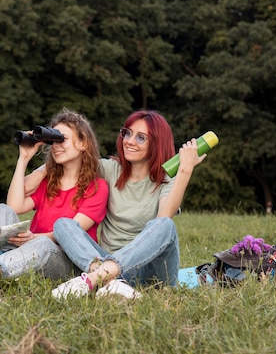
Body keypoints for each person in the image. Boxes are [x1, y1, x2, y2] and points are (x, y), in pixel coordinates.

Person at [25, 110, 207, 299]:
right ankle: (111, 282)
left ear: (157, 143)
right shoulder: (109, 169)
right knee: (63, 224)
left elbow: (165, 217)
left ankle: (95, 278)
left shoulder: (167, 180)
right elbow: (74, 157)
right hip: (106, 263)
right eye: (127, 133)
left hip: (151, 275)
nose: (129, 141)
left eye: (141, 137)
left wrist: (185, 170)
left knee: (166, 225)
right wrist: (41, 169)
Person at [0, 108, 109, 291]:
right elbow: (15, 206)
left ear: (83, 143)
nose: (56, 145)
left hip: (66, 261)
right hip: (28, 254)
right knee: (2, 209)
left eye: (62, 139)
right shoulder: (49, 182)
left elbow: (70, 233)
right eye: (53, 140)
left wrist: (33, 238)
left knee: (44, 243)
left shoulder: (97, 187)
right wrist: (24, 158)